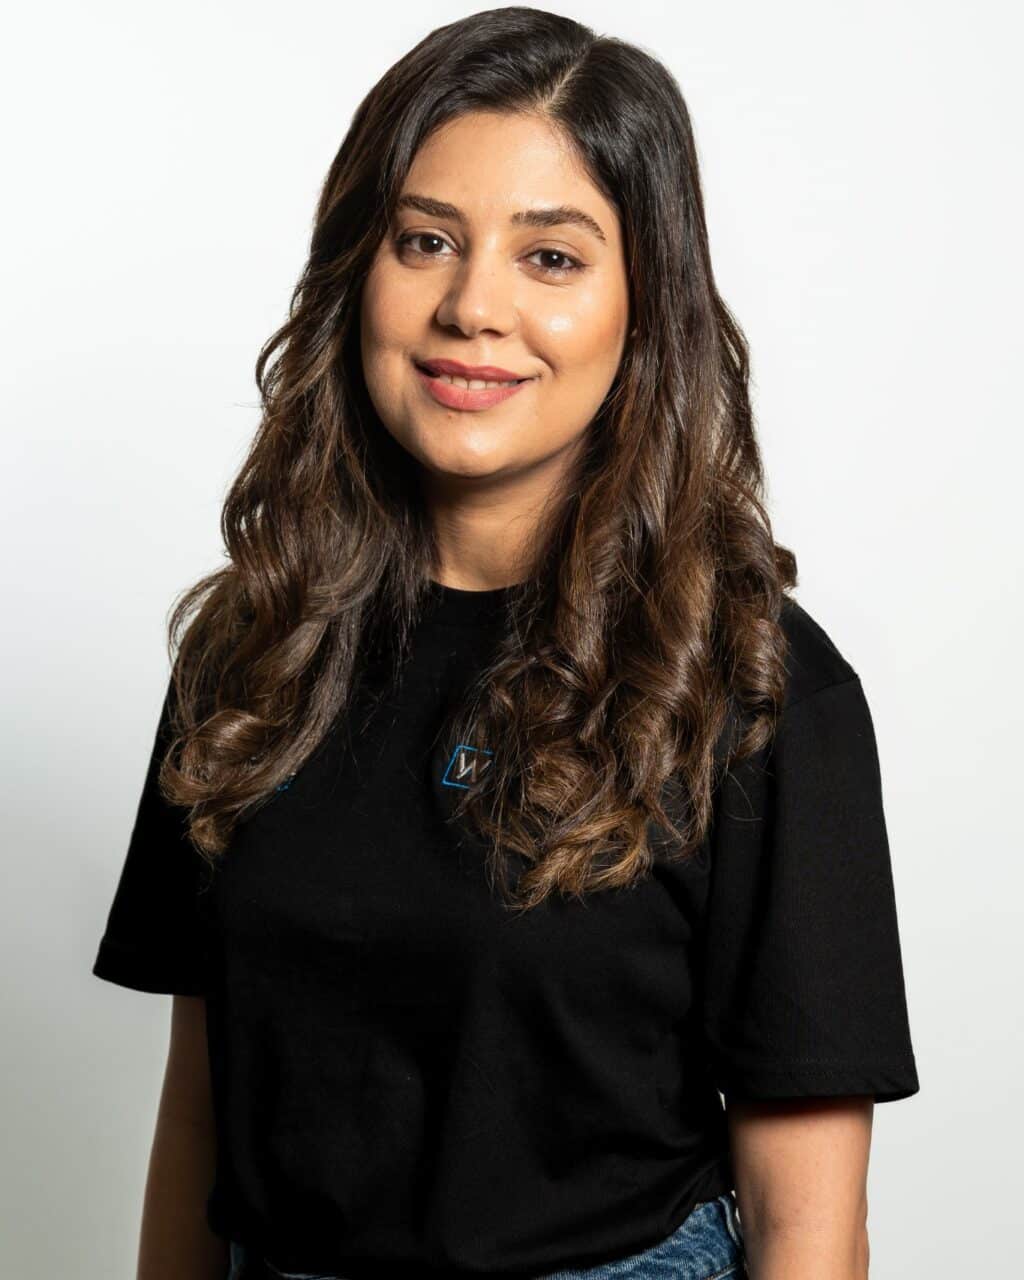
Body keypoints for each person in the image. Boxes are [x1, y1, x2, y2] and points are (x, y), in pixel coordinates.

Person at [91, 8, 920, 1279]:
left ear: (644, 306)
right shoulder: (249, 654)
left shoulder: (753, 689)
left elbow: (810, 1221)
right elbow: (201, 1112)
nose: (473, 306)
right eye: (426, 241)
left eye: (551, 258)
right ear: (355, 274)